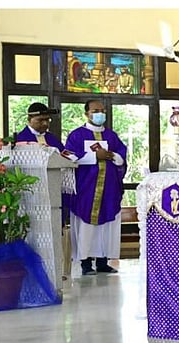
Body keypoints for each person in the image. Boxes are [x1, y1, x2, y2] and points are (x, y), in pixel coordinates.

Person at [64, 100, 128, 276]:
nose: (100, 114)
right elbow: (69, 156)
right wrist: (94, 156)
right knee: (86, 225)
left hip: (108, 188)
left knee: (107, 226)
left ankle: (103, 261)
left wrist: (112, 155)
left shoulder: (111, 135)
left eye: (102, 110)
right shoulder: (76, 135)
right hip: (86, 188)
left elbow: (122, 155)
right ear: (87, 113)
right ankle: (85, 263)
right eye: (95, 111)